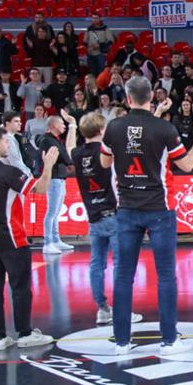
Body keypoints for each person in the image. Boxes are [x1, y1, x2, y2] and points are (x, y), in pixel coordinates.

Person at [100, 76, 193, 355]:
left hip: (127, 208)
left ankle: (121, 343)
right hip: (159, 209)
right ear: (152, 97)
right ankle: (169, 340)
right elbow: (187, 165)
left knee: (123, 275)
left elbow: (104, 162)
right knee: (165, 275)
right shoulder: (164, 128)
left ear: (127, 98)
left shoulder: (114, 127)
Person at [0, 126, 56, 350]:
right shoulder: (8, 172)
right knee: (20, 288)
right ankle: (24, 333)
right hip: (12, 238)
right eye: (6, 142)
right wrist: (48, 165)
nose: (8, 145)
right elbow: (40, 189)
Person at [72, 112, 140, 325]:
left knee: (97, 263)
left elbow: (69, 147)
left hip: (93, 215)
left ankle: (102, 308)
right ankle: (122, 310)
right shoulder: (107, 152)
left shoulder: (76, 154)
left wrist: (72, 126)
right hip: (113, 212)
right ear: (102, 130)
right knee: (121, 264)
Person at [37, 114, 76, 255]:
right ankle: (48, 243)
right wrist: (70, 162)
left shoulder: (55, 139)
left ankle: (56, 239)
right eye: (61, 123)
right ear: (53, 125)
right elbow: (63, 155)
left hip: (60, 177)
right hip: (53, 178)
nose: (64, 126)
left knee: (56, 211)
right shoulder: (47, 140)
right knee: (52, 212)